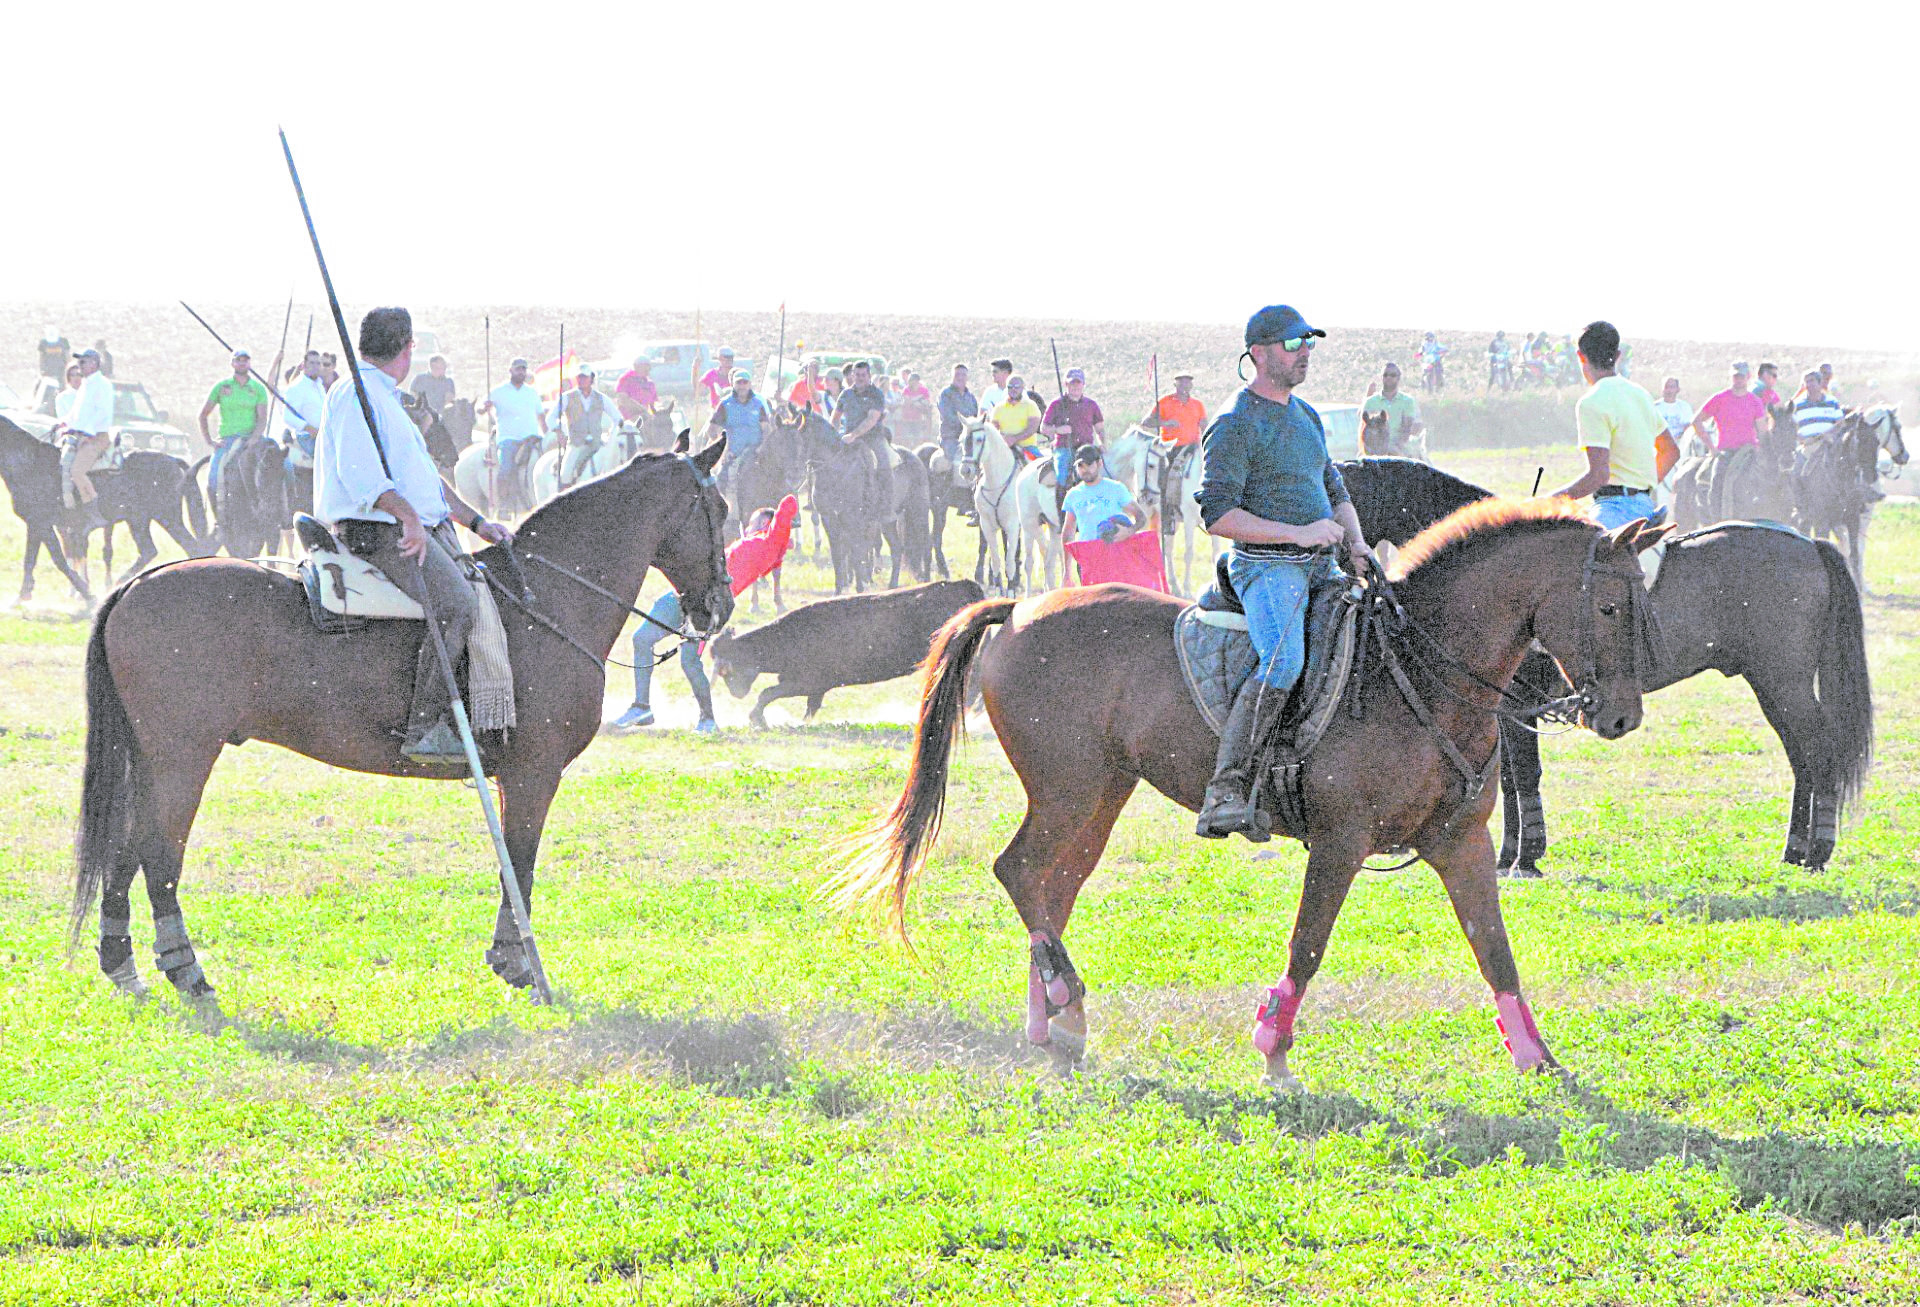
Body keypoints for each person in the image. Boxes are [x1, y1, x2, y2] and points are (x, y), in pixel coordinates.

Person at [1195, 304, 1375, 841]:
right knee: (1284, 660)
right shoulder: (1232, 423)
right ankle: (1226, 788)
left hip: (1323, 564)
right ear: (1258, 354)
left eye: (1309, 344)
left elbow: (1333, 488)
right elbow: (1218, 516)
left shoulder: (1306, 415)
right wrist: (1298, 534)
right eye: (1294, 344)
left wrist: (1358, 544)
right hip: (1266, 568)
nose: (1305, 354)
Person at [314, 306, 513, 762]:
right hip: (376, 528)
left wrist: (477, 523)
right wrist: (407, 519)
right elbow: (362, 477)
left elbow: (423, 480)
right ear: (407, 350)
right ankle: (424, 730)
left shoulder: (384, 397)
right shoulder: (355, 393)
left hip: (405, 521)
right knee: (457, 604)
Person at [612, 494, 800, 732]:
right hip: (711, 607)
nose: (747, 526)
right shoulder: (763, 548)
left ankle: (642, 706)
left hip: (697, 598)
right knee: (688, 660)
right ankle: (706, 720)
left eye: (753, 522)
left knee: (643, 639)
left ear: (765, 524)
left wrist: (790, 497)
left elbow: (788, 506)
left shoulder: (765, 544)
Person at [1547, 320, 1663, 532]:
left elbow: (1598, 476)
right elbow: (1670, 450)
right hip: (1644, 504)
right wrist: (1642, 486)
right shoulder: (1641, 394)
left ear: (1580, 355)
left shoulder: (1591, 402)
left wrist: (1547, 502)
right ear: (1617, 355)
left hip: (1615, 509)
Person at [199, 347, 270, 517]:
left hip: (253, 439)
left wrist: (254, 438)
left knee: (282, 467)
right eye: (238, 360)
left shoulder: (258, 389)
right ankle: (220, 519)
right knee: (214, 478)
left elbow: (262, 419)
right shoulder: (222, 387)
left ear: (249, 363)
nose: (242, 362)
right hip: (228, 440)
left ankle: (280, 516)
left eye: (245, 360)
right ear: (232, 363)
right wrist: (210, 441)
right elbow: (203, 415)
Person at [57, 348, 116, 516]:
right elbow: (77, 412)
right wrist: (63, 423)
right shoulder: (86, 385)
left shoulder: (103, 385)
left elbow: (102, 413)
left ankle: (94, 512)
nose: (79, 365)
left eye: (83, 362)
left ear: (94, 364)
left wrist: (88, 435)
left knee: (77, 471)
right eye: (78, 362)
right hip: (82, 435)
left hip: (97, 437)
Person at [837, 359, 895, 518]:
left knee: (884, 464)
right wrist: (834, 435)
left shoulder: (876, 394)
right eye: (857, 374)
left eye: (863, 375)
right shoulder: (846, 394)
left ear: (869, 376)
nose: (860, 378)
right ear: (852, 376)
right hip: (848, 439)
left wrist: (854, 435)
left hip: (872, 438)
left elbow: (872, 419)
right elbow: (835, 417)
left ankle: (886, 506)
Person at [1042, 367, 1105, 513]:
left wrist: (1103, 443)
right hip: (1064, 447)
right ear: (1066, 385)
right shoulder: (1056, 405)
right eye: (1072, 383)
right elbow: (1044, 428)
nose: (1075, 386)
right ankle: (1062, 513)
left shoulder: (1091, 405)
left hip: (1086, 449)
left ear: (1083, 385)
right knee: (1062, 476)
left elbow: (1100, 428)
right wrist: (1058, 430)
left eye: (1078, 383)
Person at [1061, 444, 1146, 545]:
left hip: (1113, 554)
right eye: (1081, 466)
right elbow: (1068, 532)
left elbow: (1141, 517)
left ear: (1099, 463)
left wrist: (1128, 532)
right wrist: (1067, 560)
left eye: (1089, 464)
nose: (1085, 470)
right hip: (1087, 555)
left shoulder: (1116, 488)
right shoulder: (1073, 495)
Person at [707, 369, 771, 495]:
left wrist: (762, 447)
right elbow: (712, 429)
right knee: (720, 482)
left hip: (756, 454)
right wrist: (722, 449)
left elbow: (767, 430)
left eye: (745, 382)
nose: (742, 386)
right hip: (732, 455)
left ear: (750, 384)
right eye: (739, 382)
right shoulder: (725, 404)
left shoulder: (758, 404)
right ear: (733, 384)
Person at [480, 356, 549, 473]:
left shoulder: (532, 392)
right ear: (511, 371)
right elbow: (480, 408)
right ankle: (503, 491)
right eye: (518, 369)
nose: (521, 372)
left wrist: (547, 434)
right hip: (509, 439)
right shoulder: (499, 391)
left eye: (523, 369)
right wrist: (484, 408)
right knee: (506, 471)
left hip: (532, 438)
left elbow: (541, 417)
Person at [555, 365, 616, 489]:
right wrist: (559, 432)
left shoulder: (601, 398)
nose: (581, 380)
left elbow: (617, 418)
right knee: (565, 474)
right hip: (576, 444)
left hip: (597, 443)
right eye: (579, 377)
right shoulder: (567, 397)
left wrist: (613, 434)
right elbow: (552, 417)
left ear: (591, 379)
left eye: (584, 377)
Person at [1690, 362, 1766, 454]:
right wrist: (1711, 447)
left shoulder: (1755, 401)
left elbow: (1762, 430)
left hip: (1749, 452)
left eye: (1741, 377)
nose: (1738, 380)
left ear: (1748, 376)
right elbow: (1696, 420)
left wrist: (1761, 448)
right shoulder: (1719, 399)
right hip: (1725, 452)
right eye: (1735, 377)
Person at [1359, 362, 1423, 455]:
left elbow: (1407, 427)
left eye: (1392, 375)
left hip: (1399, 447)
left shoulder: (1407, 401)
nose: (1388, 377)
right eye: (1385, 375)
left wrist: (1392, 447)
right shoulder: (1370, 402)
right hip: (1374, 448)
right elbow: (1364, 428)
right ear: (1381, 377)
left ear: (1398, 378)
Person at [279, 350, 328, 467]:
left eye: (318, 363)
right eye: (311, 363)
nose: (315, 366)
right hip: (307, 438)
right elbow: (287, 416)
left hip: (323, 435)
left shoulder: (319, 385)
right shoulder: (296, 387)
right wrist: (308, 428)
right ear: (304, 365)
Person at [1144, 369, 1206, 448]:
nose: (1184, 385)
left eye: (1187, 382)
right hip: (1169, 447)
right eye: (1181, 382)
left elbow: (1204, 426)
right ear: (1175, 384)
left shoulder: (1197, 404)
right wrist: (1165, 423)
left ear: (1191, 385)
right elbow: (1146, 422)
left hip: (1192, 448)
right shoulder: (1164, 401)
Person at [988, 375, 1043, 458]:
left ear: (1022, 388)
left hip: (1027, 448)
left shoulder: (1030, 405)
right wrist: (1003, 439)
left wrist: (1014, 438)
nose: (1013, 389)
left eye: (1017, 387)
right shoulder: (998, 408)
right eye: (1010, 387)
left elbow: (1032, 428)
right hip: (1004, 447)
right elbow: (993, 429)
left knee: (1042, 467)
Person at [936, 363, 978, 463]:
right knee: (958, 461)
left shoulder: (971, 397)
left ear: (967, 378)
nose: (960, 377)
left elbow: (976, 416)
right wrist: (967, 425)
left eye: (963, 375)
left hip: (969, 438)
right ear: (952, 377)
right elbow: (947, 416)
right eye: (957, 374)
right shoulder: (945, 394)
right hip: (951, 438)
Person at [1652, 377, 1695, 457]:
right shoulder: (1654, 407)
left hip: (1680, 444)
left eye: (1672, 387)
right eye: (1666, 387)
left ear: (1678, 389)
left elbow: (1689, 426)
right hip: (1659, 445)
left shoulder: (1684, 407)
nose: (1669, 390)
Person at [615, 356, 658, 423]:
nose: (648, 368)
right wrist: (642, 410)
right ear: (636, 367)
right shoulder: (626, 380)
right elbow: (622, 400)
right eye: (645, 366)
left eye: (649, 366)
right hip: (627, 420)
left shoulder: (650, 384)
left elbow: (652, 406)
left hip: (645, 419)